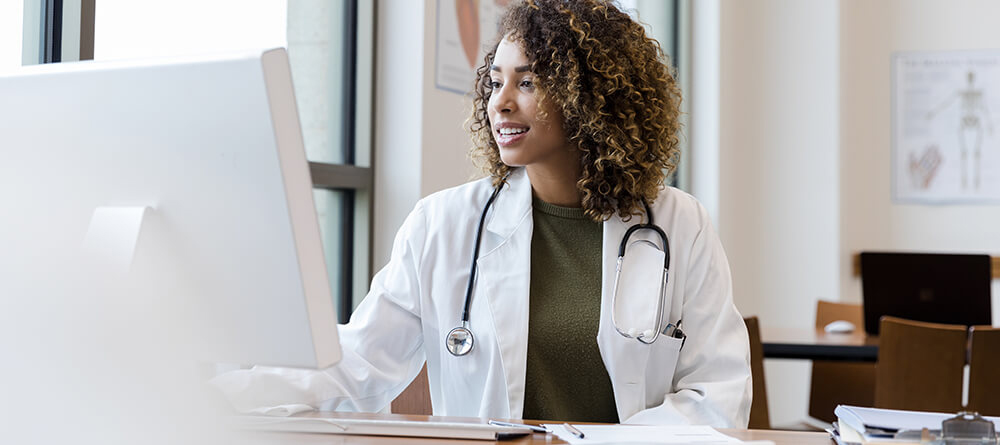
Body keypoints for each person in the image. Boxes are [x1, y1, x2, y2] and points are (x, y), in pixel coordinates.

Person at [214, 0, 751, 427]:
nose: (500, 102)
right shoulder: (444, 224)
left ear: (591, 97)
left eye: (529, 82)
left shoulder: (681, 226)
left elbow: (717, 395)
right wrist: (220, 392)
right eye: (496, 81)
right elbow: (358, 363)